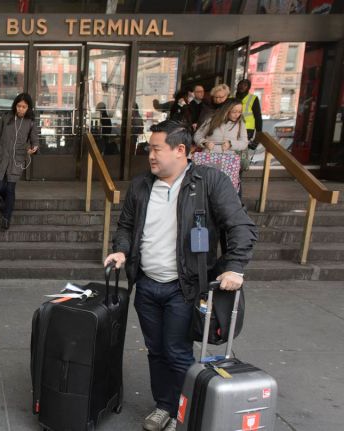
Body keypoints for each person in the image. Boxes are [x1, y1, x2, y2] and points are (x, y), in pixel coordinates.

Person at [103, 120, 257, 431]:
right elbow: (127, 227)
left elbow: (240, 226)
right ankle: (164, 405)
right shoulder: (141, 186)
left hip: (184, 288)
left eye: (157, 148)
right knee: (156, 350)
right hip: (146, 284)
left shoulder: (209, 182)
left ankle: (185, 412)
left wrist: (235, 266)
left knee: (176, 351)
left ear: (181, 150)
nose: (151, 155)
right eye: (150, 149)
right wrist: (121, 250)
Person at [0, 92, 39, 231]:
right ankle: (7, 203)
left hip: (17, 159)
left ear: (28, 108)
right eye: (19, 106)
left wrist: (34, 148)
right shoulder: (6, 118)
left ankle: (6, 218)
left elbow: (35, 140)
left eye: (24, 107)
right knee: (0, 187)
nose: (20, 109)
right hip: (1, 157)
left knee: (11, 188)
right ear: (15, 106)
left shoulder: (30, 122)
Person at [235, 79, 263, 143]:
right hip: (233, 127)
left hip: (247, 128)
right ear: (237, 86)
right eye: (240, 84)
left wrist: (259, 132)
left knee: (243, 147)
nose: (242, 86)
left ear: (248, 87)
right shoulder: (232, 98)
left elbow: (257, 116)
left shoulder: (253, 98)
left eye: (245, 85)